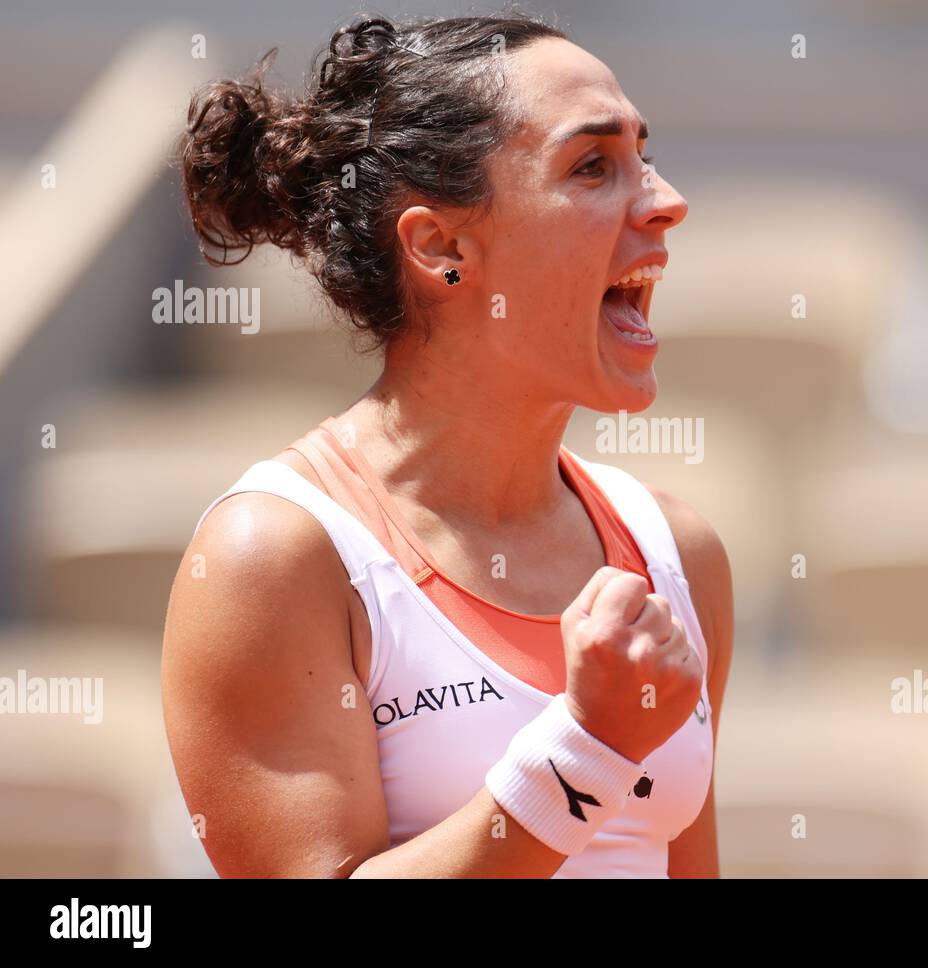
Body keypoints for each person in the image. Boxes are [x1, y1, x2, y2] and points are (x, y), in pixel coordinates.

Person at [160, 12, 733, 878]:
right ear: (443, 247)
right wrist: (590, 751)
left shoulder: (679, 552)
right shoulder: (271, 556)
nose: (665, 200)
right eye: (593, 165)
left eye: (644, 157)